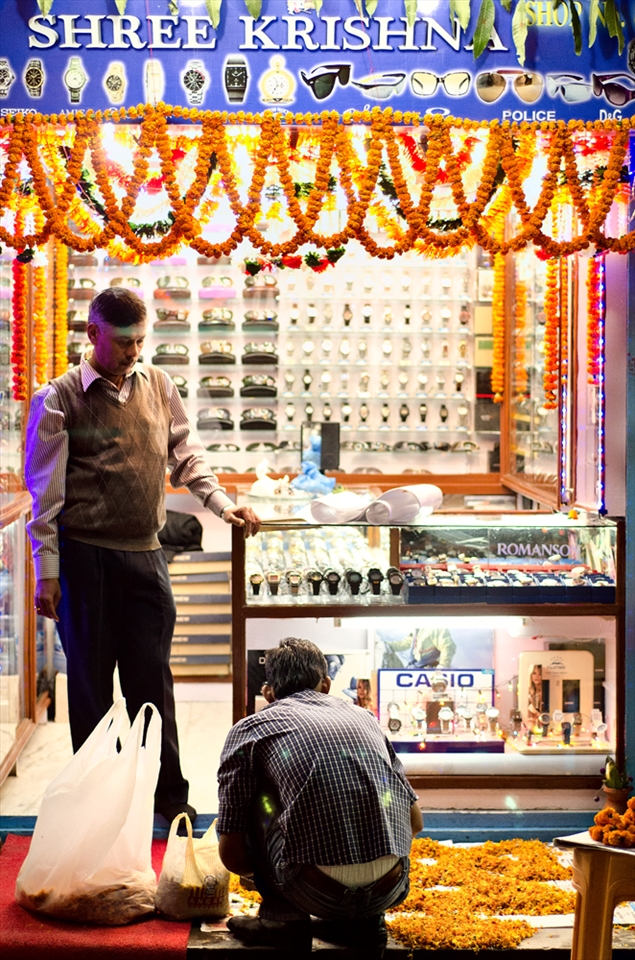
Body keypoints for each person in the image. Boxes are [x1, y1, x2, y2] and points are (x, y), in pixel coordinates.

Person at [24, 287, 260, 827]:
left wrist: (221, 506)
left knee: (153, 685)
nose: (135, 351)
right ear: (94, 335)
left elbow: (186, 454)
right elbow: (46, 496)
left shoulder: (159, 384)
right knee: (89, 691)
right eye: (125, 341)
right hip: (85, 564)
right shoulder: (58, 398)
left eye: (142, 340)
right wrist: (48, 573)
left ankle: (169, 802)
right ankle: (96, 807)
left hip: (147, 557)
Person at [217, 637, 423, 956]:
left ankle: (282, 921)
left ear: (269, 692)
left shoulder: (251, 729)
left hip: (310, 888)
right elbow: (415, 822)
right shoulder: (366, 719)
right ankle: (365, 924)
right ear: (325, 684)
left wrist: (256, 873)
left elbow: (231, 852)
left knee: (260, 797)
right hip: (391, 886)